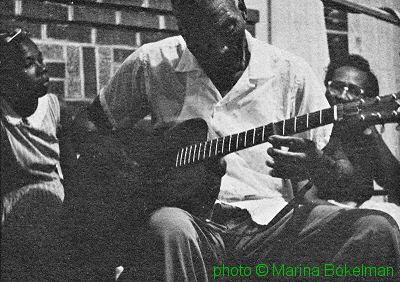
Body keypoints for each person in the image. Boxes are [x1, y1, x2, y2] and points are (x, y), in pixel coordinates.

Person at [75, 0, 400, 281]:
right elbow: (89, 123)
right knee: (168, 227)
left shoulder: (291, 73)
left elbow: (352, 182)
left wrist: (319, 164)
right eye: (201, 38)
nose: (219, 47)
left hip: (273, 221)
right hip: (190, 221)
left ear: (242, 11)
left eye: (227, 27)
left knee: (377, 227)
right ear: (183, 30)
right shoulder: (153, 63)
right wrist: (123, 170)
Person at [269, 54, 400, 222]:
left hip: (359, 218)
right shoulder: (310, 132)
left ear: (367, 100)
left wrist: (369, 128)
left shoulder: (363, 137)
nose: (342, 96)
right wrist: (359, 216)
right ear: (325, 89)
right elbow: (307, 200)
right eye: (337, 87)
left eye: (353, 91)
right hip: (320, 222)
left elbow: (396, 185)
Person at [0, 28, 74, 282]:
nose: (42, 69)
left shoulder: (55, 107)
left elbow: (74, 169)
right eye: (29, 64)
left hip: (57, 204)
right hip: (16, 213)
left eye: (41, 59)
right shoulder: (4, 115)